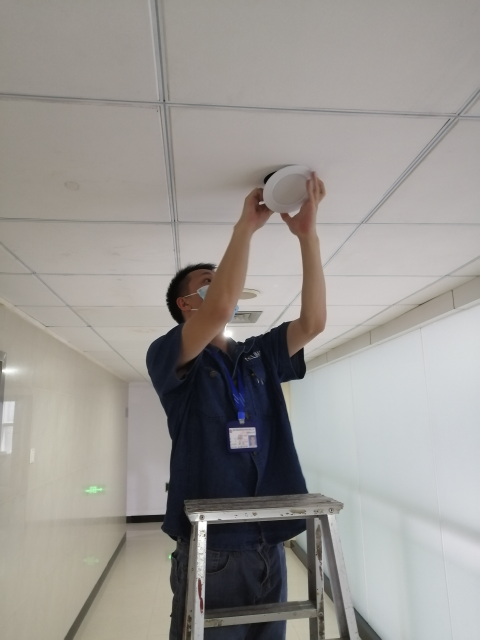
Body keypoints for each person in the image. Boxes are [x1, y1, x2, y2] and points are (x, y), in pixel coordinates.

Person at [147, 173, 326, 640]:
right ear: (186, 303)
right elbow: (221, 309)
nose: (220, 287)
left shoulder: (257, 355)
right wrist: (245, 227)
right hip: (212, 546)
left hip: (269, 540)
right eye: (208, 282)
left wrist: (307, 236)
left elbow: (313, 322)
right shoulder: (169, 355)